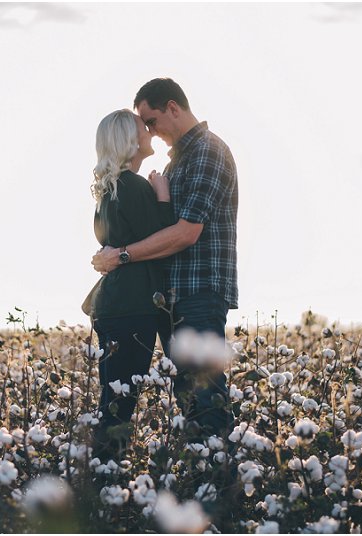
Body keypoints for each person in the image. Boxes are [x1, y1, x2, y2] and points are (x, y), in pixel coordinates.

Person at [91, 78, 239, 438]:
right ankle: (199, 478)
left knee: (205, 398)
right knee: (189, 396)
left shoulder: (207, 152)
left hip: (199, 293)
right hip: (171, 298)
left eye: (151, 120)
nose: (151, 133)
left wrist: (121, 255)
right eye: (144, 127)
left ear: (173, 107)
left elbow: (186, 232)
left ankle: (218, 485)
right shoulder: (175, 164)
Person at [83, 109, 177, 461]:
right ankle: (104, 477)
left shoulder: (109, 190)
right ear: (130, 140)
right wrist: (164, 197)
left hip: (114, 307)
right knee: (120, 405)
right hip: (133, 308)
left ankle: (101, 473)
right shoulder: (134, 186)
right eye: (143, 127)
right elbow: (163, 241)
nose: (150, 131)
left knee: (113, 400)